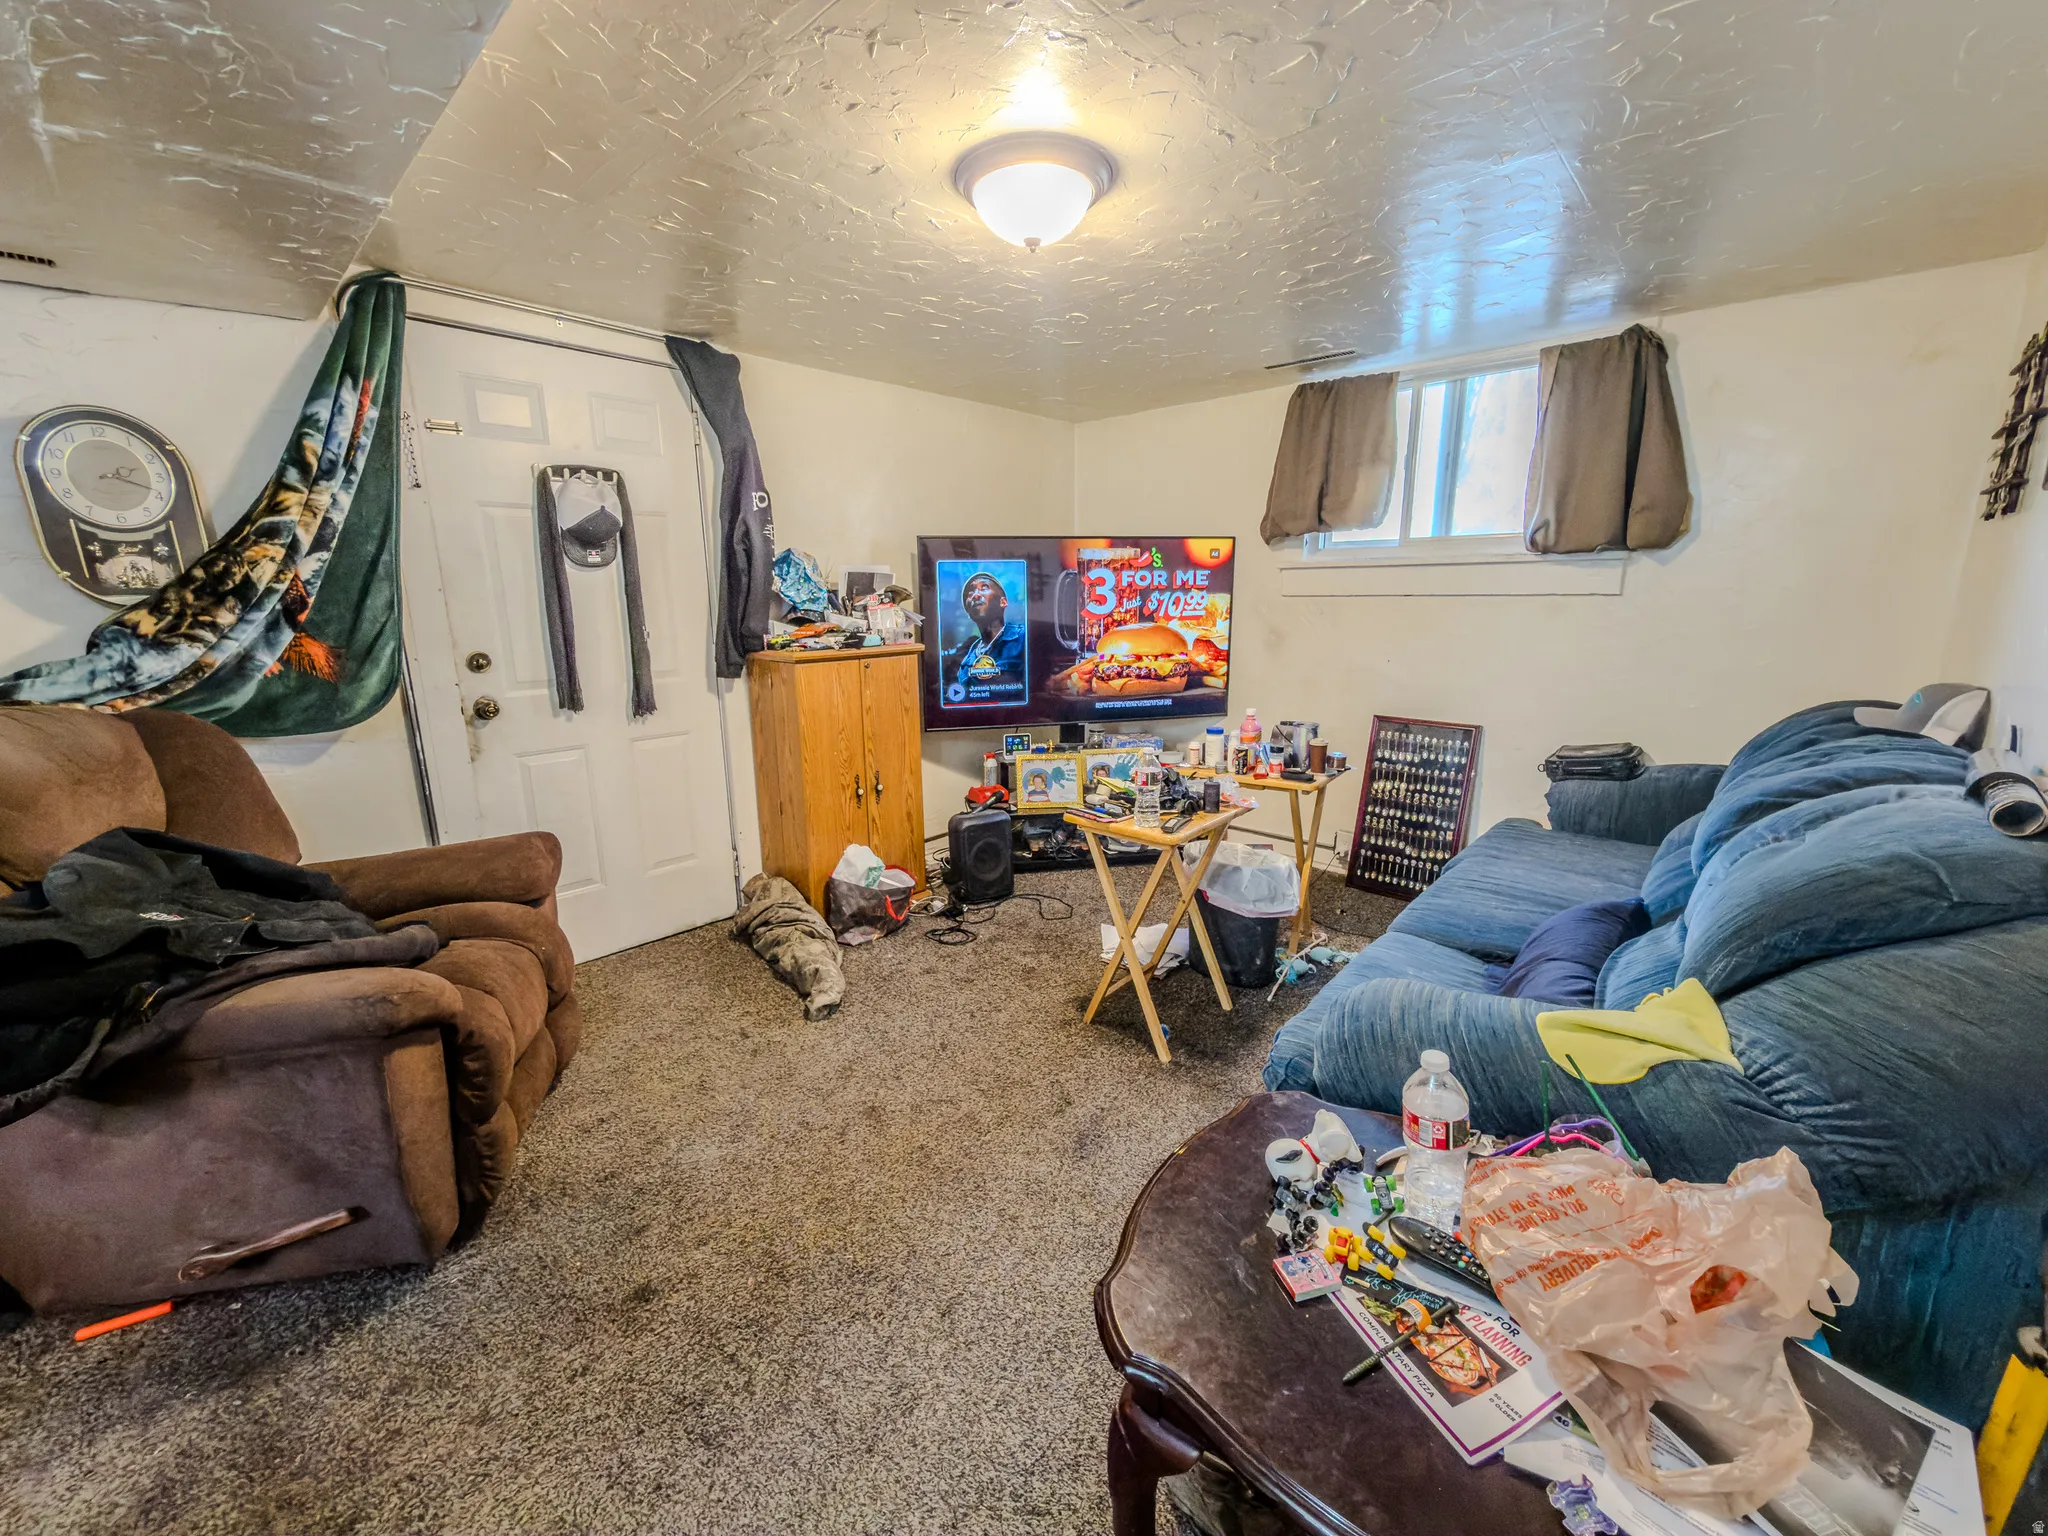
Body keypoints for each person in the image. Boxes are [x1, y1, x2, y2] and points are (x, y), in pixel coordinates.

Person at [945, 570, 1026, 690]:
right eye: (970, 592)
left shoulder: (1024, 638)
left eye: (984, 587)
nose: (975, 595)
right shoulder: (966, 663)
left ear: (1003, 602)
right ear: (969, 613)